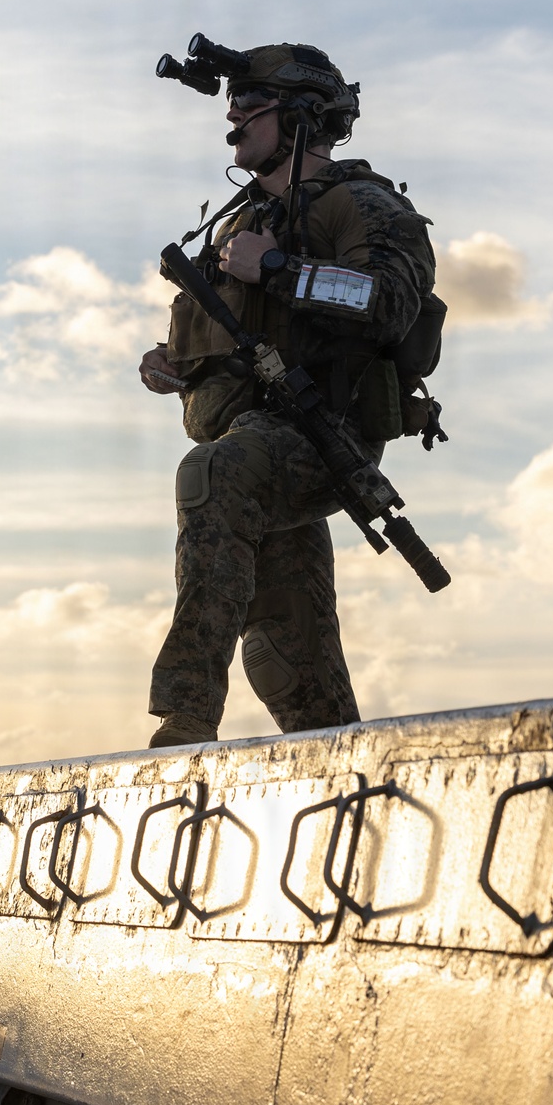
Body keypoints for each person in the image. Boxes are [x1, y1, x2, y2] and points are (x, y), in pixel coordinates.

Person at [141, 42, 438, 747]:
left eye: (253, 104)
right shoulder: (241, 222)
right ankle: (350, 779)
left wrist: (280, 269)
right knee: (287, 655)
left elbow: (390, 299)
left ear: (303, 118)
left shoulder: (362, 204)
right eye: (232, 102)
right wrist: (175, 364)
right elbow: (231, 336)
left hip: (319, 433)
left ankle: (185, 719)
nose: (234, 116)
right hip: (252, 439)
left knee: (212, 474)